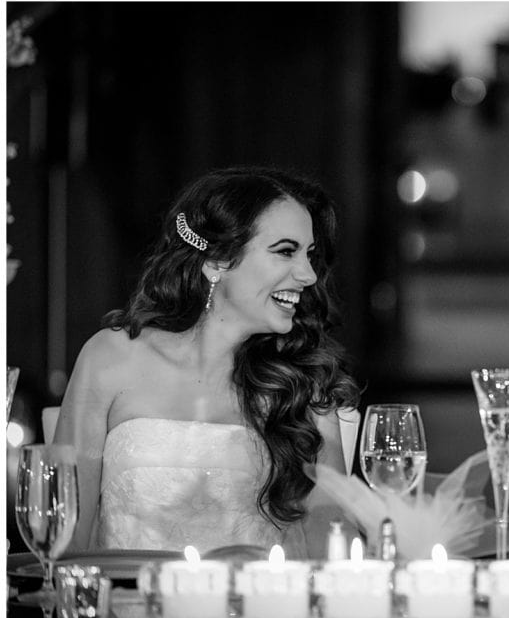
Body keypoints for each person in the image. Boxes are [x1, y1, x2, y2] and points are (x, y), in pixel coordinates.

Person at [56, 166, 360, 557]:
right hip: (121, 614)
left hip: (259, 614)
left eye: (310, 255)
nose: (307, 275)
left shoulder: (304, 378)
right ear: (217, 261)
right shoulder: (110, 358)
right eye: (286, 251)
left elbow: (332, 537)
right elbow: (65, 530)